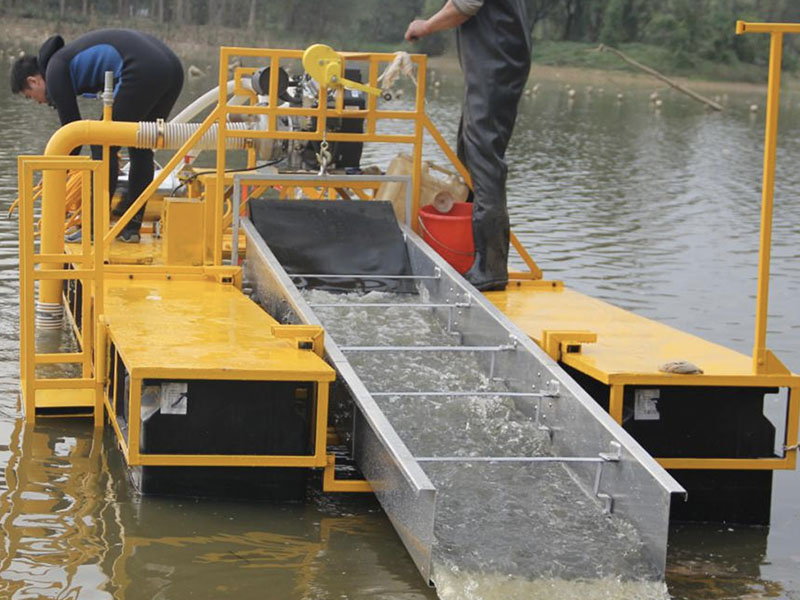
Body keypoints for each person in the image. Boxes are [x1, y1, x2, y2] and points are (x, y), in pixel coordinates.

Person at [10, 29, 184, 243]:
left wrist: (54, 178)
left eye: (30, 97)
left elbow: (71, 136)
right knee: (140, 147)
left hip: (141, 68)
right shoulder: (64, 61)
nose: (38, 102)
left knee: (102, 143)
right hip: (172, 69)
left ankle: (93, 229)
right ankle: (130, 228)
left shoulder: (55, 70)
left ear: (34, 81)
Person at [405, 0, 530, 291]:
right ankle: (475, 253)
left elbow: (464, 6)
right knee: (469, 152)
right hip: (494, 64)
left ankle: (491, 267)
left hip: (497, 65)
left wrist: (425, 26)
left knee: (484, 158)